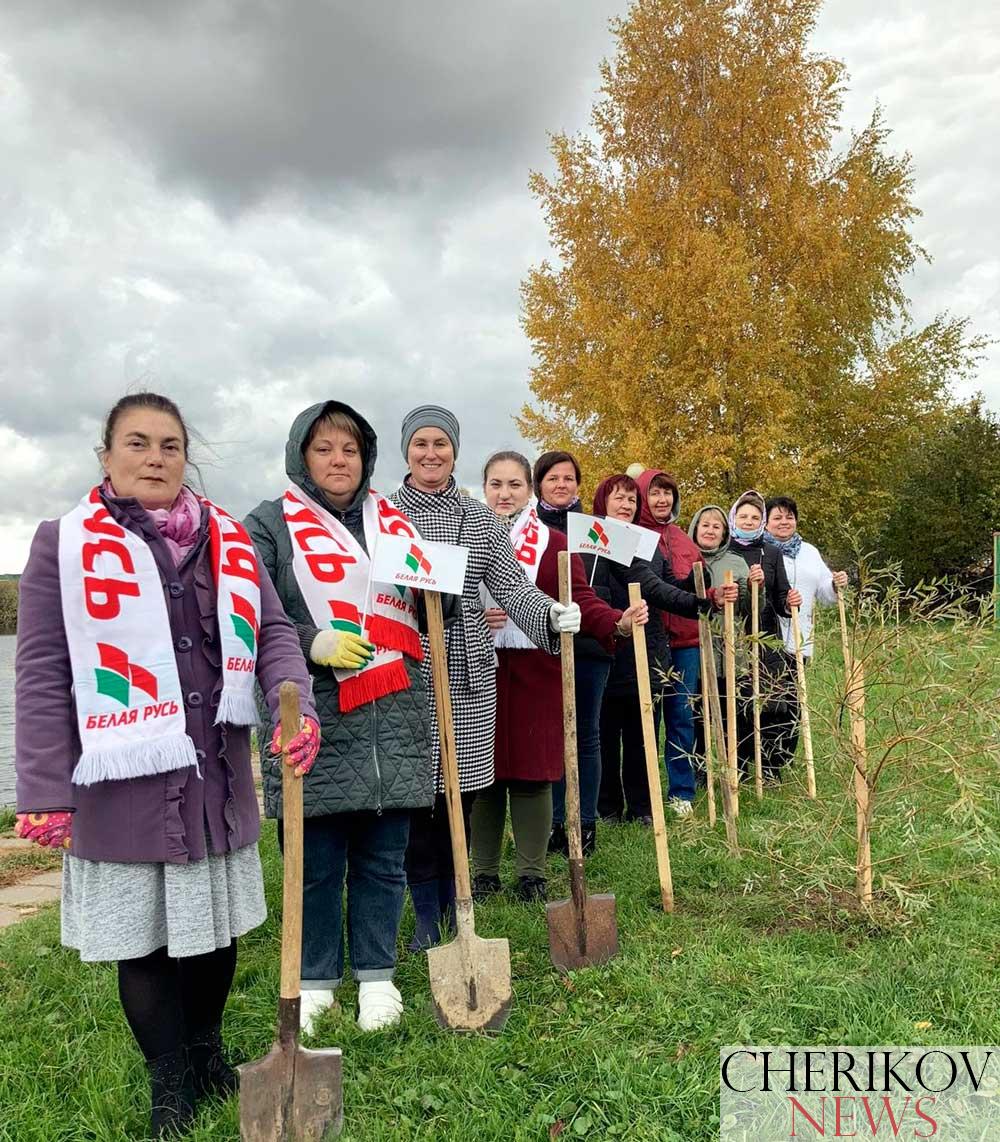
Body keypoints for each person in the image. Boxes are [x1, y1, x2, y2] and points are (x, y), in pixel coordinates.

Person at [14, 393, 318, 1139]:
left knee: (214, 931)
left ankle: (209, 1055)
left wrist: (298, 701)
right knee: (145, 940)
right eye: (138, 443)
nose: (156, 457)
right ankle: (168, 1082)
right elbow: (43, 671)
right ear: (106, 455)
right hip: (122, 780)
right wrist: (45, 790)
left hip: (214, 775)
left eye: (171, 445)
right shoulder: (64, 543)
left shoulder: (230, 542)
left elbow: (275, 631)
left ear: (187, 456)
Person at [245, 400, 439, 1035]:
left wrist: (441, 595)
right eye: (324, 448)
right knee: (317, 860)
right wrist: (309, 640)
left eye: (350, 450)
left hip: (395, 712)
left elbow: (437, 612)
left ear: (366, 458)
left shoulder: (396, 524)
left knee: (385, 856)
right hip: (315, 712)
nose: (338, 460)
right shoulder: (269, 525)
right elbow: (246, 611)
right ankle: (317, 978)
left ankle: (377, 977)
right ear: (302, 455)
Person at [390, 409, 582, 947]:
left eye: (442, 445)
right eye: (421, 444)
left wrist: (549, 616)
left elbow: (513, 588)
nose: (432, 454)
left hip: (469, 669)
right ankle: (426, 910)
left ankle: (456, 906)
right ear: (406, 451)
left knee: (463, 794)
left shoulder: (479, 520)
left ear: (455, 452)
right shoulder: (383, 516)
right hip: (404, 669)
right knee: (418, 797)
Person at [470, 452, 646, 902]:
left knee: (533, 771)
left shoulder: (553, 543)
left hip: (535, 667)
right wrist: (474, 617)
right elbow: (444, 599)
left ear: (529, 490)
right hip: (478, 668)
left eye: (514, 484)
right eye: (496, 484)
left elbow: (580, 599)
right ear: (484, 487)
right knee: (482, 775)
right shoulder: (467, 537)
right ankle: (483, 872)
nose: (504, 494)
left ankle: (531, 873)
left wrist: (616, 622)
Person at [597, 476, 734, 822]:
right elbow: (648, 585)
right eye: (619, 498)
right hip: (609, 646)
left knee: (643, 734)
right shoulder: (597, 537)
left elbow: (666, 585)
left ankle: (642, 807)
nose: (626, 505)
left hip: (648, 647)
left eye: (631, 499)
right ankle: (608, 807)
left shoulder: (646, 542)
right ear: (603, 501)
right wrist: (700, 605)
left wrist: (701, 589)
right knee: (606, 734)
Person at [533, 450, 610, 853]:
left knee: (586, 735)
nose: (562, 485)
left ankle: (586, 822)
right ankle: (556, 822)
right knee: (554, 735)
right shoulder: (528, 531)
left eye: (568, 478)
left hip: (590, 643)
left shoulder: (596, 529)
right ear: (539, 485)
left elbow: (626, 576)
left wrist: (613, 617)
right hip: (543, 642)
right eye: (552, 478)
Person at [633, 469, 706, 815]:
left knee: (681, 716)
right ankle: (645, 794)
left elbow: (696, 583)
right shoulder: (632, 537)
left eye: (668, 493)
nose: (663, 500)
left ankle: (682, 792)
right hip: (651, 640)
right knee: (648, 717)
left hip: (687, 641)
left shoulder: (683, 540)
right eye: (655, 493)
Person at [762, 495, 848, 776]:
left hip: (800, 638)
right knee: (771, 702)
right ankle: (764, 762)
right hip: (768, 637)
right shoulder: (760, 550)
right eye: (777, 517)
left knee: (793, 703)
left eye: (789, 516)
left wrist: (835, 584)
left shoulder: (808, 551)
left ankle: (782, 759)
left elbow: (824, 592)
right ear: (766, 522)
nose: (784, 522)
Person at [725, 490, 798, 781]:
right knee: (741, 702)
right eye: (743, 516)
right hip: (736, 636)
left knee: (771, 704)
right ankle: (740, 767)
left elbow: (781, 599)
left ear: (762, 522)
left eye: (755, 517)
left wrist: (790, 601)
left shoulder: (772, 552)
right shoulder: (725, 550)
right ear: (734, 518)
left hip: (767, 637)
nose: (749, 520)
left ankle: (768, 766)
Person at [688, 504, 752, 776]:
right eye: (705, 525)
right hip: (694, 646)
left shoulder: (736, 562)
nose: (710, 530)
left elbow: (752, 608)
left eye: (716, 526)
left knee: (731, 711)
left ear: (725, 532)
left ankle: (734, 765)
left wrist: (750, 589)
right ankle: (700, 768)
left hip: (728, 649)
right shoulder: (683, 557)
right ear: (695, 528)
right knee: (697, 712)